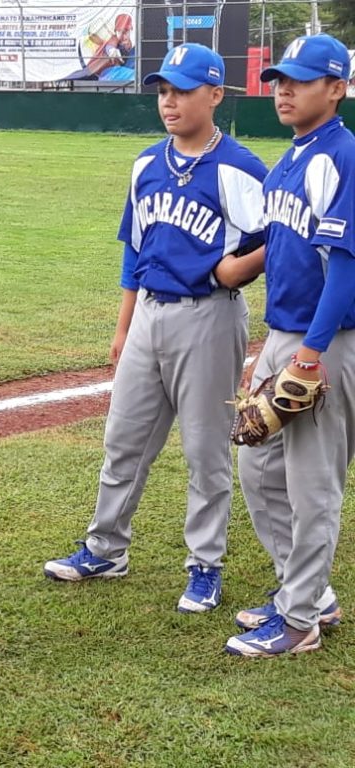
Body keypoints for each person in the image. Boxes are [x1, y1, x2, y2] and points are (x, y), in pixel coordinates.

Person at [43, 43, 268, 613]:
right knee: (123, 440)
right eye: (163, 91)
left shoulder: (239, 167)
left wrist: (230, 271)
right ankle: (105, 548)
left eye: (183, 91)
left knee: (205, 450)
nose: (169, 102)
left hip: (209, 317)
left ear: (215, 95)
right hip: (148, 312)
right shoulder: (146, 163)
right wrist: (123, 327)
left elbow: (278, 238)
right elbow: (133, 250)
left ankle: (204, 564)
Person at [226, 34, 355, 657]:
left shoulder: (340, 156)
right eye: (280, 78)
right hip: (284, 333)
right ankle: (308, 592)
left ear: (337, 88)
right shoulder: (293, 158)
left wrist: (310, 351)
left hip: (322, 342)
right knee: (258, 466)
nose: (284, 89)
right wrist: (273, 343)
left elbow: (347, 268)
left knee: (312, 486)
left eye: (300, 80)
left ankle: (300, 619)